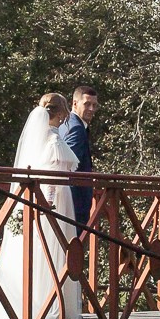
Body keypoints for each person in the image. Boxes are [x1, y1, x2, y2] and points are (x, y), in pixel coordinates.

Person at [0, 92, 84, 319]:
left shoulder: (39, 139)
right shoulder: (53, 141)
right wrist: (48, 205)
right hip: (54, 200)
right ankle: (50, 303)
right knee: (53, 247)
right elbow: (50, 177)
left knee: (41, 249)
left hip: (40, 198)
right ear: (60, 113)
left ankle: (36, 300)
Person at [64, 86, 98, 230]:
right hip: (74, 202)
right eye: (87, 104)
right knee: (73, 247)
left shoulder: (65, 122)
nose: (91, 109)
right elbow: (69, 165)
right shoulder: (76, 128)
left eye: (94, 105)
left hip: (71, 201)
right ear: (75, 103)